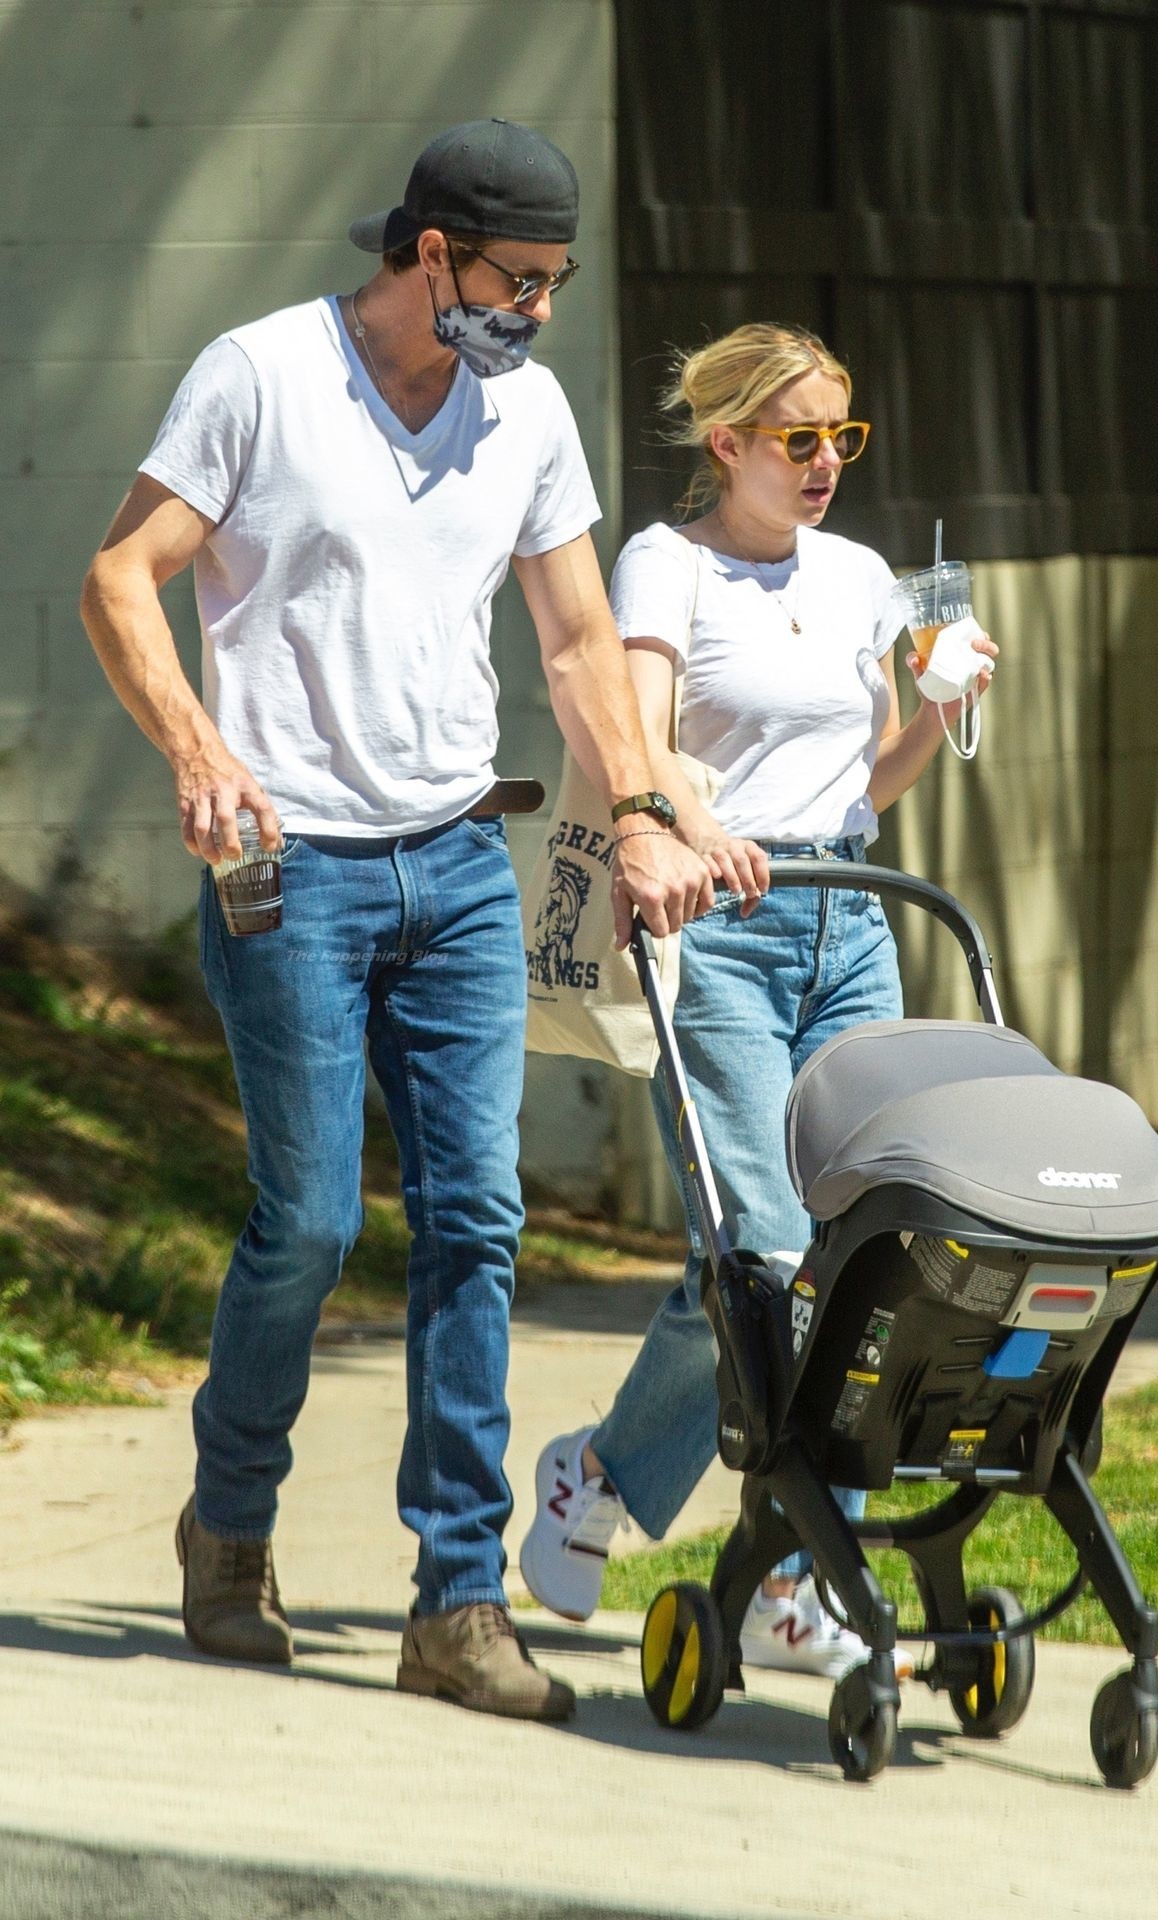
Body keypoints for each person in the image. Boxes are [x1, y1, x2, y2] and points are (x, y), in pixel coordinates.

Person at [79, 119, 709, 1724]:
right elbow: (121, 577)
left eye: (557, 282)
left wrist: (642, 812)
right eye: (518, 280)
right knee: (305, 1224)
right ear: (432, 254)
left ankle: (457, 1598)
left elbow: (578, 641)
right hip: (290, 869)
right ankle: (230, 1522)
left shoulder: (527, 411)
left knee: (476, 1221)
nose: (538, 311)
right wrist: (198, 750)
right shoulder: (262, 376)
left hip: (460, 863)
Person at [520, 323, 996, 1676]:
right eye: (799, 438)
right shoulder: (666, 566)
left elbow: (866, 785)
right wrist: (689, 822)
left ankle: (751, 1552)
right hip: (721, 931)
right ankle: (678, 1515)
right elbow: (638, 737)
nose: (827, 461)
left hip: (852, 922)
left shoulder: (859, 578)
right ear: (726, 442)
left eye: (843, 435)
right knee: (764, 1258)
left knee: (859, 1258)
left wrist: (940, 704)